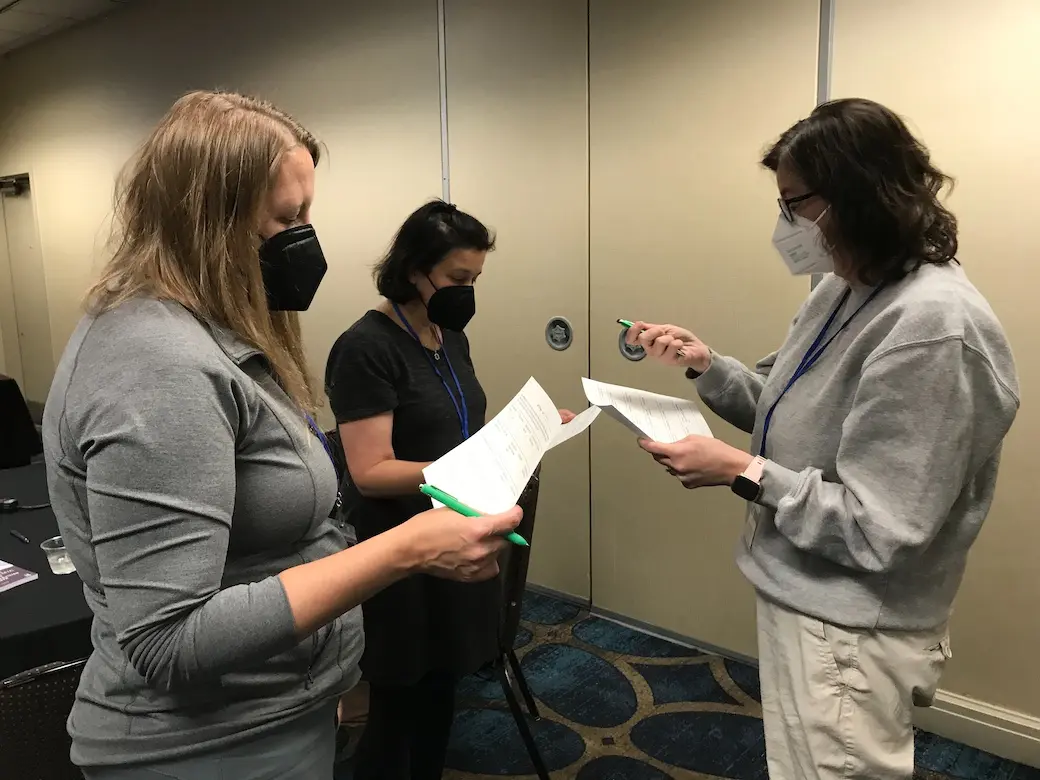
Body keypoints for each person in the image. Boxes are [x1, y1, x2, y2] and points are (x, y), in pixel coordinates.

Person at [41, 91, 521, 780]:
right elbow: (169, 640)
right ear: (207, 221)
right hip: (201, 747)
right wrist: (408, 548)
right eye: (287, 218)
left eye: (308, 215)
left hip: (267, 710)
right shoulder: (156, 363)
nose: (304, 239)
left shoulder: (215, 330)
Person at [626, 98, 1019, 780]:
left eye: (793, 203)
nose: (785, 225)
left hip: (852, 625)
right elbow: (786, 415)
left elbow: (880, 528)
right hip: (803, 590)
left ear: (855, 196)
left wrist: (742, 472)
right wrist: (705, 366)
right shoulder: (845, 288)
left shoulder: (930, 326)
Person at [325, 200, 573, 780]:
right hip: (399, 547)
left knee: (440, 689)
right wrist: (459, 468)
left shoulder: (446, 335)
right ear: (415, 269)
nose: (468, 291)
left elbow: (454, 427)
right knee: (395, 708)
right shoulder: (366, 347)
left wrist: (528, 432)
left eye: (476, 279)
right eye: (458, 279)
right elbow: (370, 471)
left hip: (453, 534)